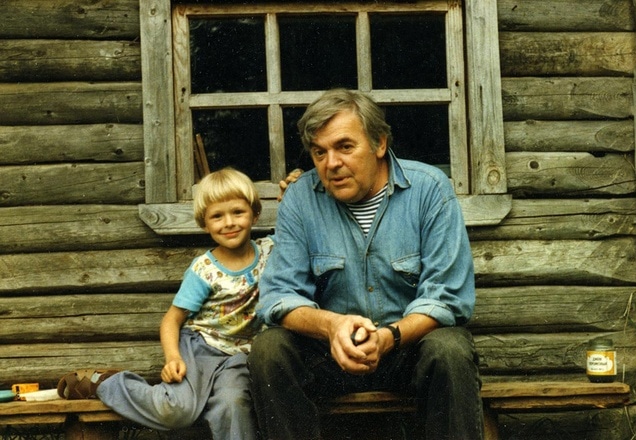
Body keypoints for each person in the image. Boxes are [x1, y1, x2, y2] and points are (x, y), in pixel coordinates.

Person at [247, 88, 483, 440]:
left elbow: (447, 297)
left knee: (449, 349)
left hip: (406, 351)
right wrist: (332, 327)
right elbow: (279, 295)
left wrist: (388, 338)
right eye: (319, 152)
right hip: (331, 357)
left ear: (379, 144)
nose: (331, 163)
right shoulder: (300, 199)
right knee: (269, 350)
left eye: (345, 146)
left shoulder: (429, 189)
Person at [58, 168, 274, 440]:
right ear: (204, 223)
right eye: (217, 216)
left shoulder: (270, 250)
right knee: (176, 411)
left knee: (233, 404)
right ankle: (105, 383)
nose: (229, 223)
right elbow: (172, 320)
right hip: (199, 349)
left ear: (255, 214)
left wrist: (290, 189)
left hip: (240, 357)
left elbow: (299, 222)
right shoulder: (204, 270)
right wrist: (173, 358)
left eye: (238, 212)